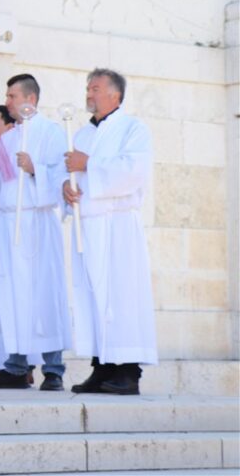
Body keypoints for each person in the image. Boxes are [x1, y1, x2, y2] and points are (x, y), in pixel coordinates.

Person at [64, 68, 157, 395]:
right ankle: (101, 368)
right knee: (93, 296)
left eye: (96, 88)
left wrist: (88, 164)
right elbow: (73, 178)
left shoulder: (134, 129)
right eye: (88, 88)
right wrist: (67, 187)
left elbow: (134, 171)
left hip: (117, 226)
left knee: (121, 295)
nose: (89, 94)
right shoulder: (81, 134)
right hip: (88, 226)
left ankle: (128, 373)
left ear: (115, 94)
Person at [0, 74, 71, 391]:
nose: (7, 101)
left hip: (36, 223)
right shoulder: (7, 139)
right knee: (13, 296)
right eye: (7, 96)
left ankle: (53, 368)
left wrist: (36, 169)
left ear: (30, 99)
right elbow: (1, 182)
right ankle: (17, 365)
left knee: (43, 293)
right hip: (9, 226)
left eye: (12, 95)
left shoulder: (52, 133)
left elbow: (63, 178)